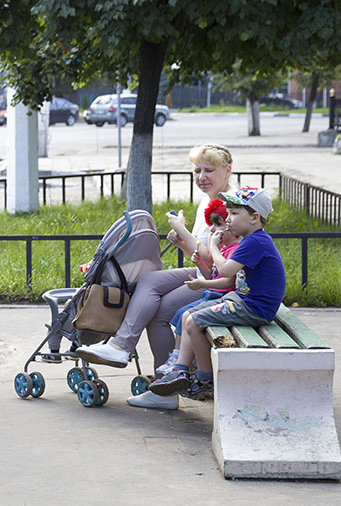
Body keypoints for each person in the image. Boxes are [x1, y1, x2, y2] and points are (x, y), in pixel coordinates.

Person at [76, 144, 235, 372]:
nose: (201, 177)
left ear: (227, 170)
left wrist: (182, 231)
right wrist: (182, 241)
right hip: (205, 273)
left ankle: (167, 381)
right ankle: (122, 347)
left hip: (222, 282)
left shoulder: (230, 205)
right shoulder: (207, 202)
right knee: (148, 280)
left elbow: (213, 261)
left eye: (209, 170)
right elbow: (198, 257)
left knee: (158, 315)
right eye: (197, 171)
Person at [133, 187, 285, 408]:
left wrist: (213, 247)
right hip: (242, 301)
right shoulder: (251, 240)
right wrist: (205, 277)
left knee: (195, 321)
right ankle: (180, 369)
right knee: (187, 315)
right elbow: (228, 280)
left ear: (254, 218)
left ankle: (205, 379)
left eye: (234, 213)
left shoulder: (255, 242)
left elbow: (224, 271)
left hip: (255, 309)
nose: (228, 218)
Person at [153, 199, 239, 378]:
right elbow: (212, 276)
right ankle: (177, 360)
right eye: (211, 225)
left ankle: (186, 367)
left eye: (218, 224)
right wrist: (201, 265)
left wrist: (202, 284)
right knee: (180, 315)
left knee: (187, 316)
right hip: (213, 295)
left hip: (221, 298)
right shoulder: (223, 250)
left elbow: (228, 282)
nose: (213, 230)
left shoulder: (233, 250)